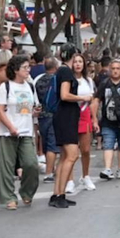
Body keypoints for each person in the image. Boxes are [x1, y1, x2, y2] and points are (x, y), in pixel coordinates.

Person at [0, 55, 41, 209]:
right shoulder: (6, 87)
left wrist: (35, 113)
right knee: (7, 166)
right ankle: (8, 197)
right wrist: (10, 127)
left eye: (28, 67)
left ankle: (27, 192)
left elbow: (27, 109)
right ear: (15, 70)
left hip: (26, 130)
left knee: (31, 164)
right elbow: (0, 110)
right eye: (25, 67)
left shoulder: (30, 86)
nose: (28, 70)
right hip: (8, 132)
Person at [49, 50, 86, 209]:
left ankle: (57, 193)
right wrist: (82, 97)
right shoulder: (65, 71)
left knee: (64, 156)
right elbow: (65, 95)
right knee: (72, 155)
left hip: (64, 116)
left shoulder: (61, 70)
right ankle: (60, 194)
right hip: (66, 117)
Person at [98, 59, 120, 181]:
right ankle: (107, 169)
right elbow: (96, 100)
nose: (115, 71)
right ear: (109, 70)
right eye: (113, 69)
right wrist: (94, 119)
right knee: (108, 143)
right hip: (108, 121)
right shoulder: (104, 84)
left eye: (118, 68)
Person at [73, 53, 98, 192]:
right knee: (71, 151)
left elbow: (93, 101)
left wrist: (94, 119)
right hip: (71, 115)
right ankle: (69, 179)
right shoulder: (68, 80)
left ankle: (86, 176)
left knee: (86, 149)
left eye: (80, 62)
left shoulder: (88, 81)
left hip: (85, 114)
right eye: (75, 61)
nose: (78, 64)